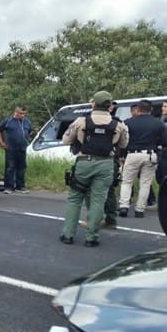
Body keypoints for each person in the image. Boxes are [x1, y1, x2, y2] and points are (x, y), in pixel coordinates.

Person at [60, 91, 129, 247]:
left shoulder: (81, 121)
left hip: (84, 161)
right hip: (106, 164)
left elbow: (66, 140)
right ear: (110, 106)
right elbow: (124, 144)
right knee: (99, 200)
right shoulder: (118, 124)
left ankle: (68, 235)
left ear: (93, 104)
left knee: (75, 198)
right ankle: (91, 237)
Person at [118, 99, 167, 218]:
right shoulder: (158, 123)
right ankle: (140, 209)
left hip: (132, 154)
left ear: (137, 109)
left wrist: (121, 155)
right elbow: (164, 141)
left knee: (127, 181)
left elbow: (123, 141)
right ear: (150, 110)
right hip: (150, 154)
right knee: (145, 183)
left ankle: (124, 206)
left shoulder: (127, 122)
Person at [0, 106, 33, 194]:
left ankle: (20, 186)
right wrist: (1, 142)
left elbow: (30, 131)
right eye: (21, 113)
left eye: (24, 113)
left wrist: (27, 138)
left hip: (22, 147)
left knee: (22, 167)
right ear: (16, 112)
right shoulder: (8, 121)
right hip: (11, 147)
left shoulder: (27, 121)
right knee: (10, 167)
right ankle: (9, 186)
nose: (23, 115)